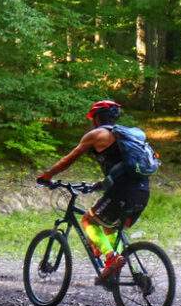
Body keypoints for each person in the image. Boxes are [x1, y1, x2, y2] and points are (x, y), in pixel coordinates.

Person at [36, 100, 151, 284]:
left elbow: (69, 160)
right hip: (143, 190)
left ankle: (111, 258)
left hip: (122, 191)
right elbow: (123, 168)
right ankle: (127, 271)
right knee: (109, 227)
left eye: (92, 119)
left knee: (88, 220)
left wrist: (47, 176)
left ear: (96, 118)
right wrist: (99, 185)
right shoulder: (125, 136)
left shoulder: (97, 134)